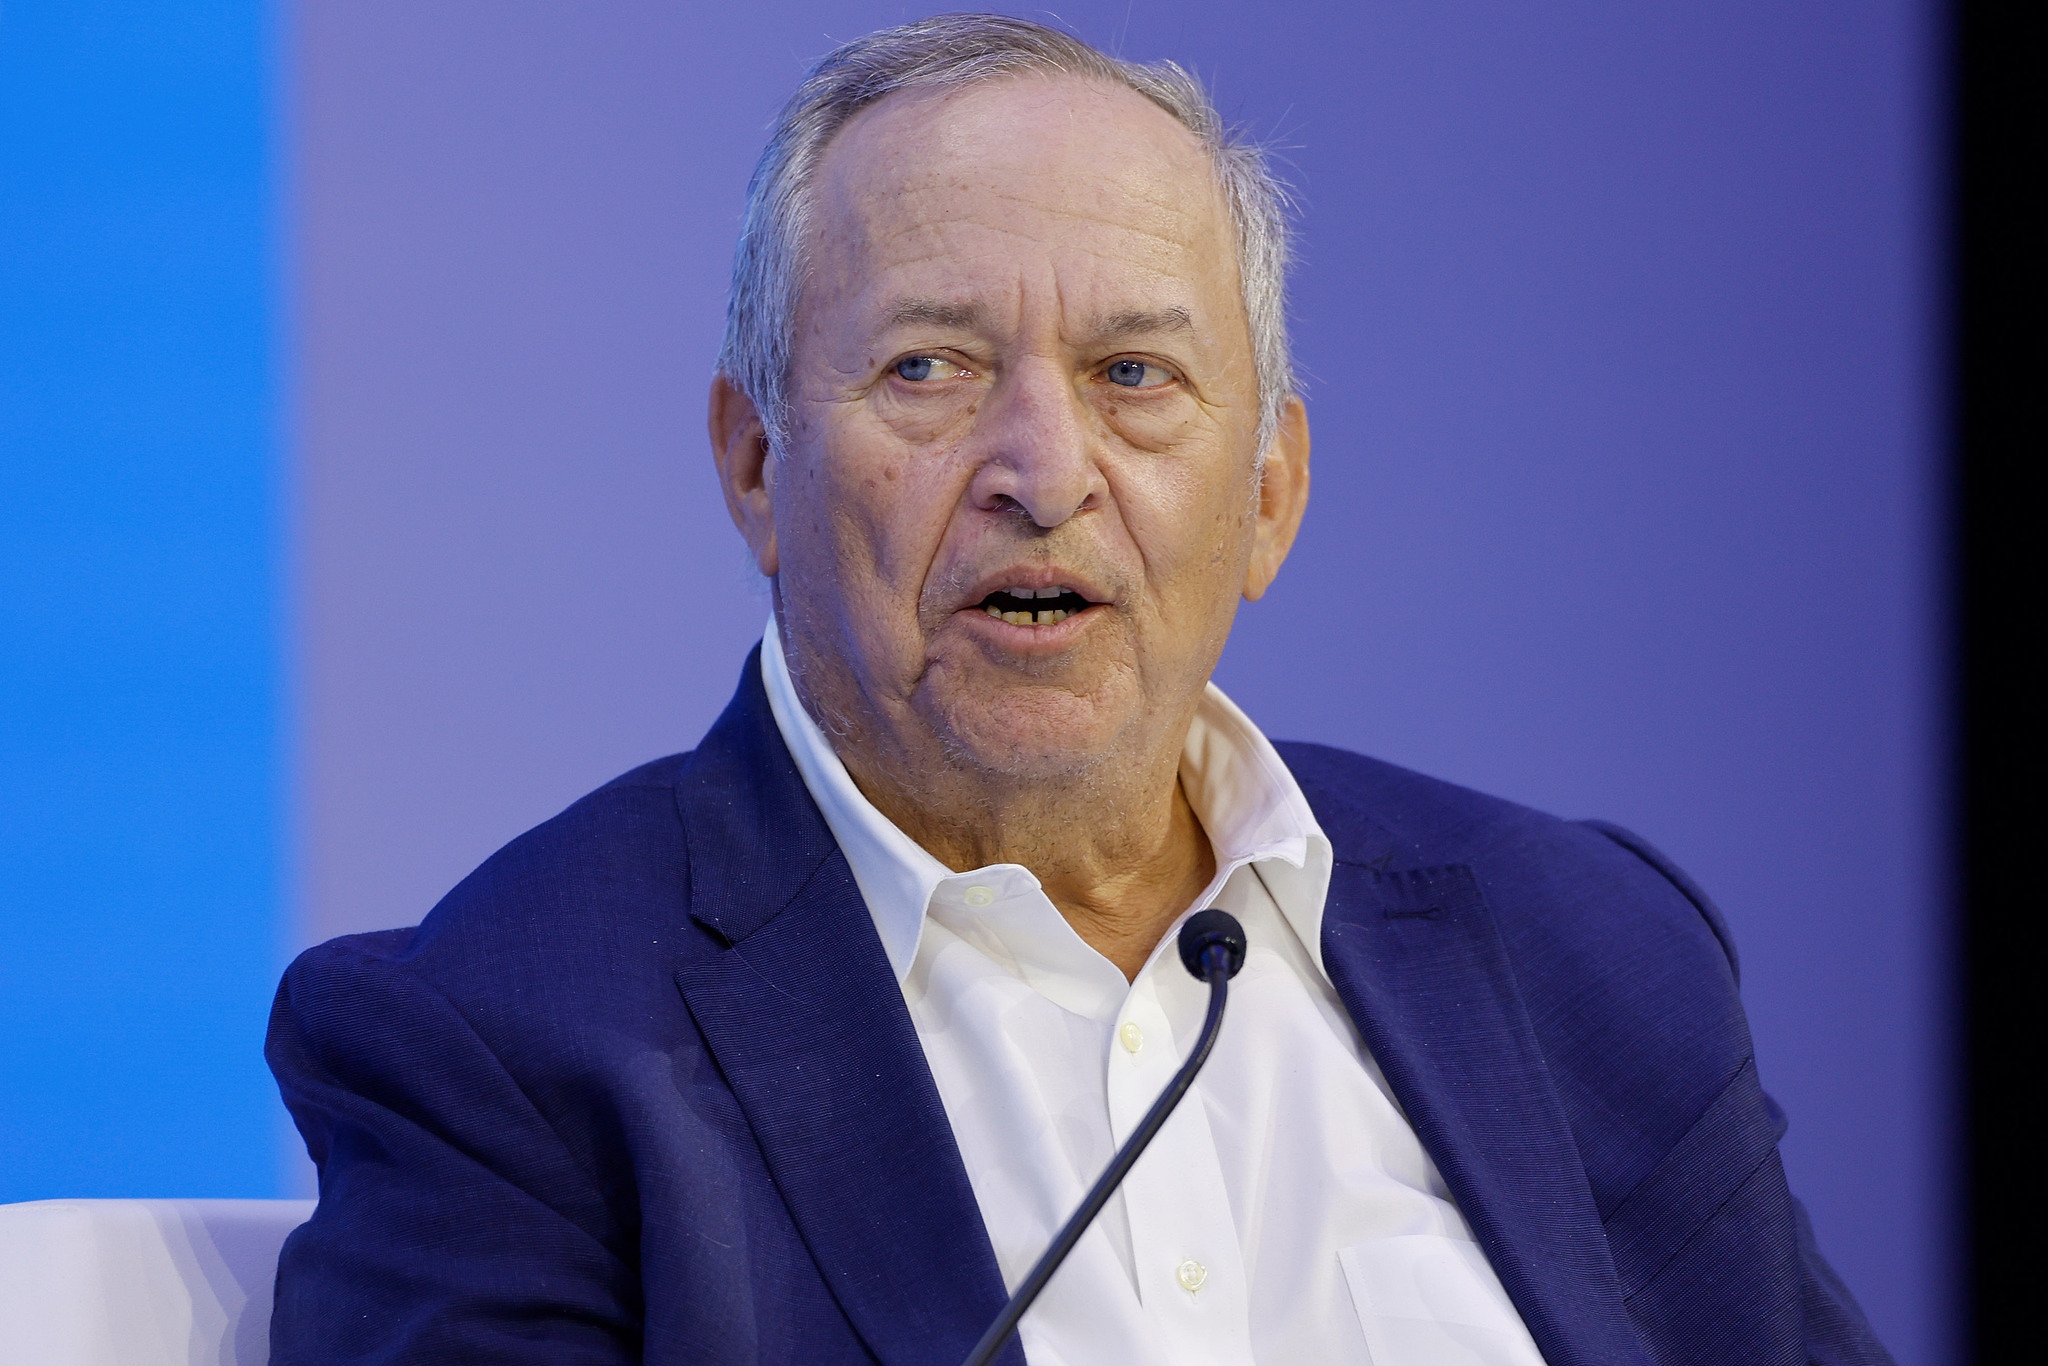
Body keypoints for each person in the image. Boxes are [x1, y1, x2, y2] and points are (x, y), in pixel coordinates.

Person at [265, 15, 1892, 1365]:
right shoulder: (504, 1051)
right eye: (929, 368)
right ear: (756, 464)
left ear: (1271, 493)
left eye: (1134, 375)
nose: (1044, 473)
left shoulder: (1584, 952)